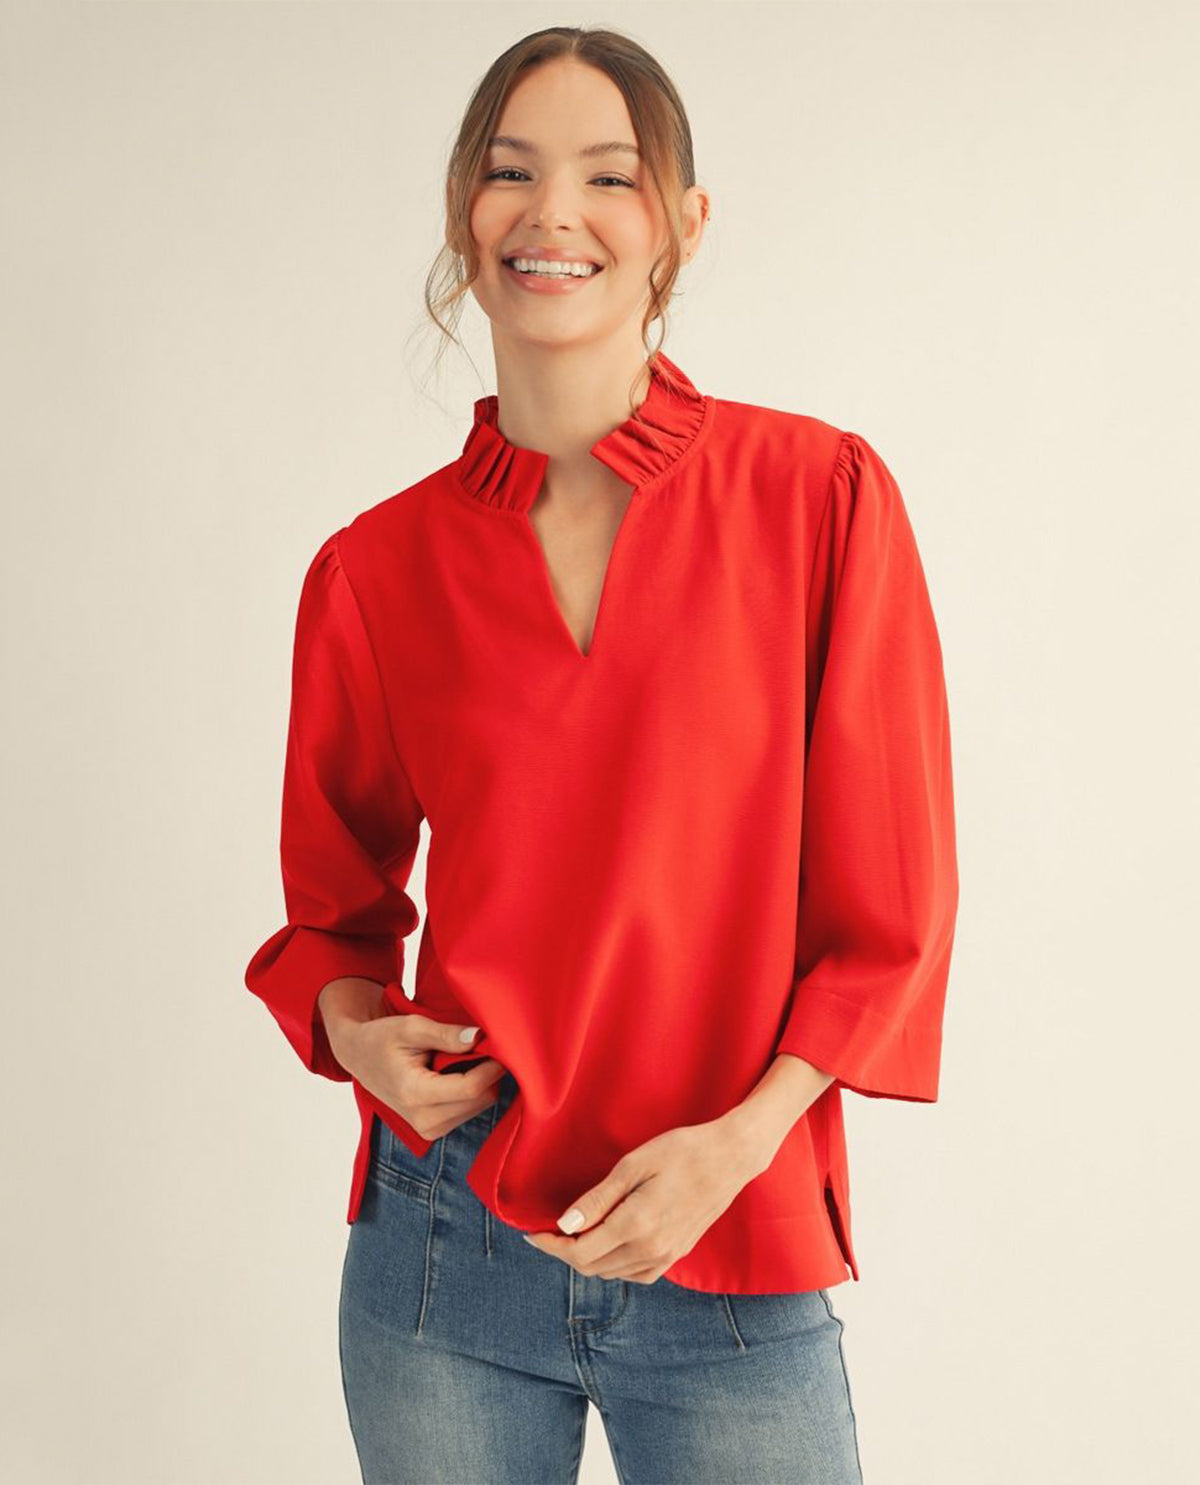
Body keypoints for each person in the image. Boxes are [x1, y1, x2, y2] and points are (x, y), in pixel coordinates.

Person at [244, 25, 958, 1485]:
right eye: (511, 171)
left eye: (609, 176)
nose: (552, 212)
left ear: (682, 222)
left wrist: (740, 1145)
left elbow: (891, 915)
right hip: (442, 1257)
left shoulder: (817, 497)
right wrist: (359, 1032)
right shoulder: (374, 571)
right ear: (467, 213)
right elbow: (333, 916)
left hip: (729, 1231)